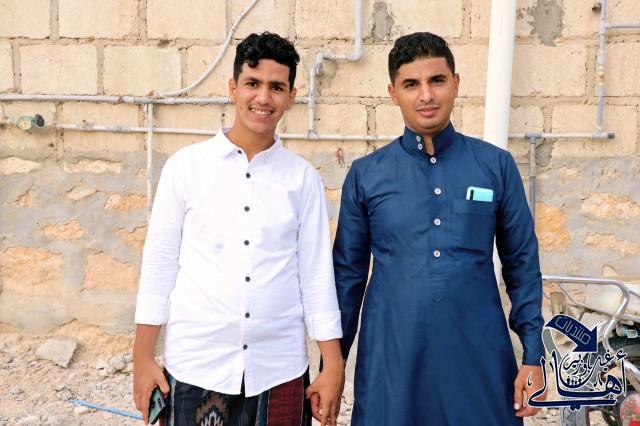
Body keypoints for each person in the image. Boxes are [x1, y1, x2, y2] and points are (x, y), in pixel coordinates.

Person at [333, 32, 546, 425]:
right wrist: (333, 366)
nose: (426, 95)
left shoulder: (494, 166)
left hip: (478, 358)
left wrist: (534, 355)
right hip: (392, 363)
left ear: (456, 84)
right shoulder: (367, 175)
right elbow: (347, 278)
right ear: (393, 93)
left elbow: (522, 265)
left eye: (437, 80)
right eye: (411, 84)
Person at [133, 32, 344, 426]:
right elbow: (160, 267)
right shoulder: (185, 168)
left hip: (279, 369)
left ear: (291, 96)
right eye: (253, 83)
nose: (263, 97)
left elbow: (316, 276)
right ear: (233, 88)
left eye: (276, 87)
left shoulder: (302, 180)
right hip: (197, 365)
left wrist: (332, 365)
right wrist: (142, 357)